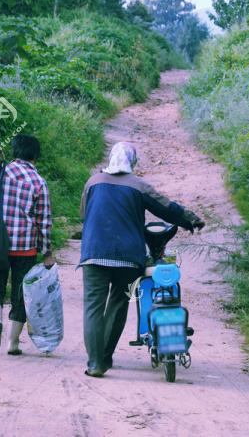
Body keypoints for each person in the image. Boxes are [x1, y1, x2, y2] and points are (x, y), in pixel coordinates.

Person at [78, 142, 204, 377]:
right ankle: (105, 357)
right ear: (132, 162)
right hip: (128, 259)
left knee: (93, 308)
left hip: (94, 255)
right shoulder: (138, 185)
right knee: (118, 304)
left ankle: (95, 364)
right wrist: (191, 219)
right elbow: (166, 207)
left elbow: (84, 215)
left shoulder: (92, 182)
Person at [0, 134, 55, 355]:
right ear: (35, 156)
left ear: (14, 152)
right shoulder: (39, 182)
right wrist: (46, 253)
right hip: (26, 247)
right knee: (21, 294)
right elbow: (44, 220)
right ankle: (12, 343)